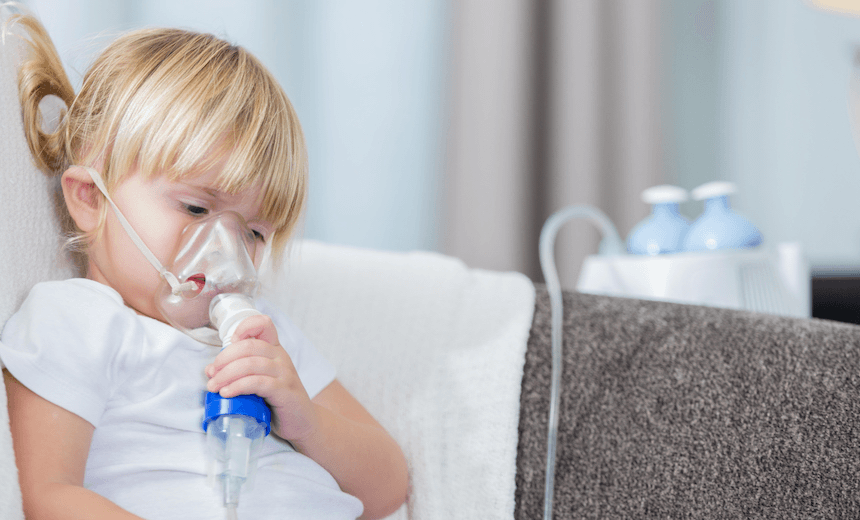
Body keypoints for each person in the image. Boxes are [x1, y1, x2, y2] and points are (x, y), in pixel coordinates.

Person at [0, 11, 408, 520]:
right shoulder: (79, 322)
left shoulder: (264, 339)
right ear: (90, 198)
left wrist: (307, 421)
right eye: (195, 208)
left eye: (254, 232)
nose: (224, 251)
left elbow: (390, 485)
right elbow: (49, 497)